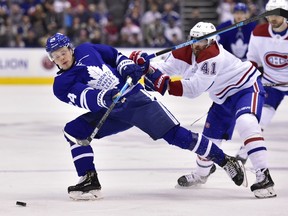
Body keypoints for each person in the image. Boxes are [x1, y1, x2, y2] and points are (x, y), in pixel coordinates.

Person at [45, 33, 246, 201]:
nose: (61, 57)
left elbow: (115, 56)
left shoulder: (87, 49)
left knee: (176, 136)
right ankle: (89, 179)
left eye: (63, 52)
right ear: (52, 60)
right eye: (56, 56)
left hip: (135, 99)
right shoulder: (61, 84)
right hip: (109, 110)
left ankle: (225, 160)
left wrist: (126, 67)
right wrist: (105, 96)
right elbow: (84, 97)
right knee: (73, 131)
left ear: (70, 49)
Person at [130, 21, 276, 199]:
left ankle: (264, 176)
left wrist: (164, 84)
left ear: (212, 41)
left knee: (247, 122)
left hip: (245, 88)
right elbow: (163, 69)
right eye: (194, 40)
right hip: (221, 98)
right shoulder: (184, 51)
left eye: (202, 41)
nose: (197, 45)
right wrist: (146, 66)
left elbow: (194, 90)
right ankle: (201, 175)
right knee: (209, 143)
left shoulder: (212, 55)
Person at [235, 0, 288, 163]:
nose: (271, 18)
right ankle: (244, 152)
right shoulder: (259, 32)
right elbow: (253, 60)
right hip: (271, 84)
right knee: (259, 120)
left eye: (276, 14)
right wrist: (247, 79)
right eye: (269, 14)